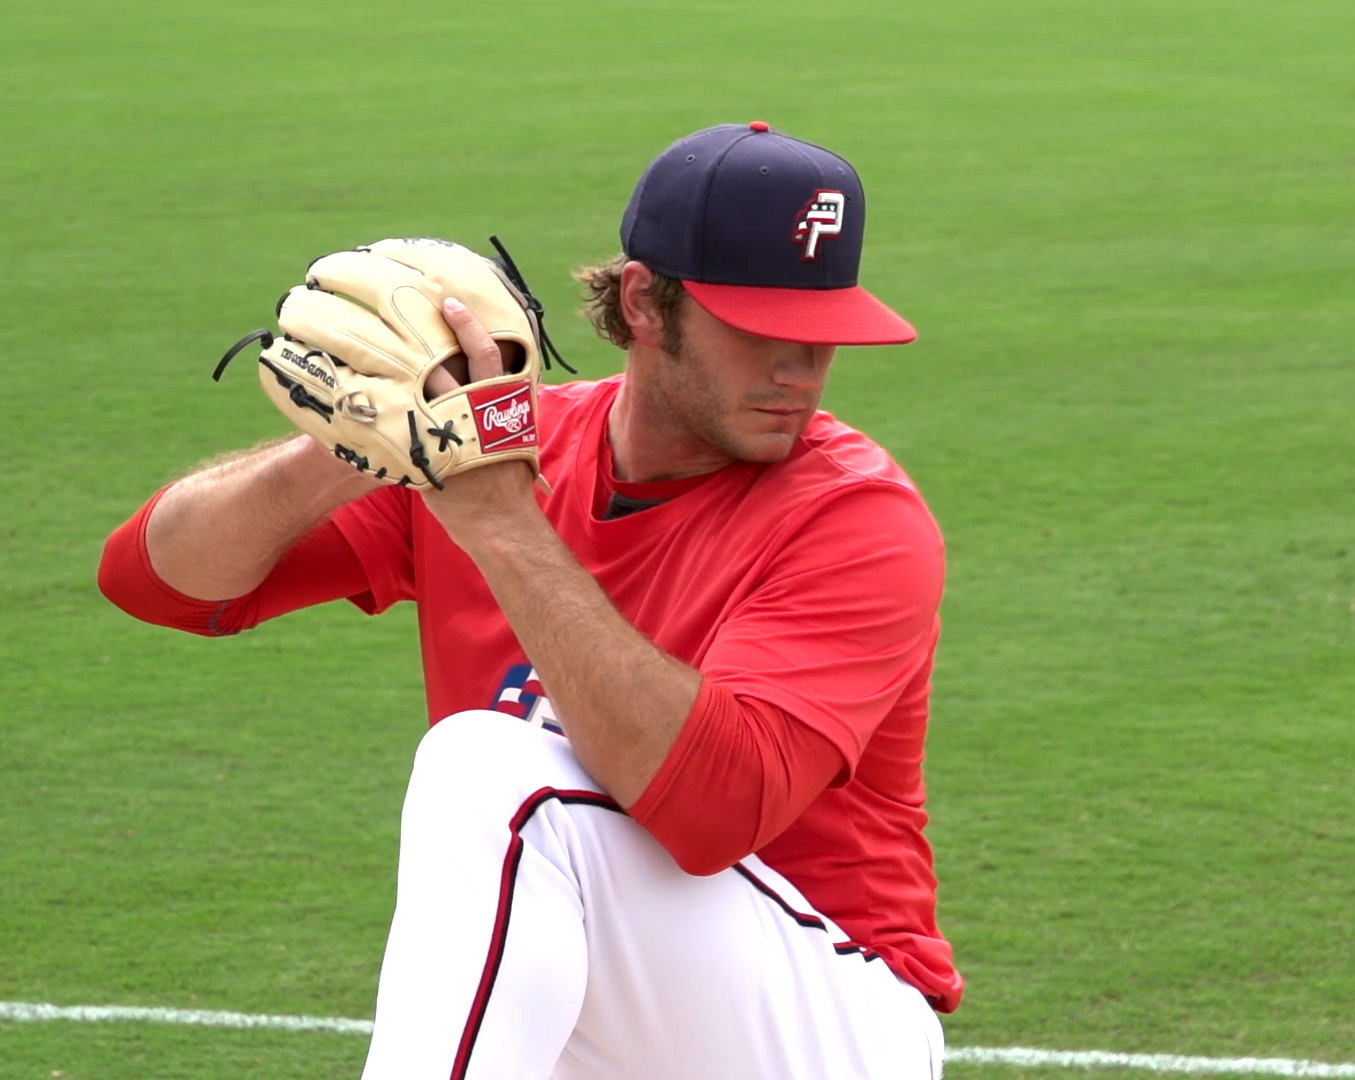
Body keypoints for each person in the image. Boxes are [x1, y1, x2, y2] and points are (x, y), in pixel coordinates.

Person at [98, 122, 958, 1080]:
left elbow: (714, 816)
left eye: (820, 333)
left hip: (826, 1016)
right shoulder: (496, 451)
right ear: (644, 303)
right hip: (606, 1020)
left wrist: (503, 521)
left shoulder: (858, 518)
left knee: (494, 770)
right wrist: (354, 442)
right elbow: (157, 582)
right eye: (759, 329)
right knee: (509, 831)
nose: (799, 370)